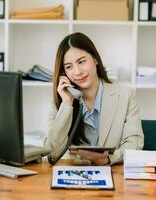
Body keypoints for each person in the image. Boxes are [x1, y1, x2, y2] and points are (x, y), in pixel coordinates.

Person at [43, 32, 144, 165]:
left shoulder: (126, 95)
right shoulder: (61, 100)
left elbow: (134, 142)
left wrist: (109, 159)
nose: (77, 71)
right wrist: (67, 104)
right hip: (73, 176)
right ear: (64, 73)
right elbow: (51, 153)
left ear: (95, 59)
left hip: (113, 173)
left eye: (82, 61)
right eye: (69, 67)